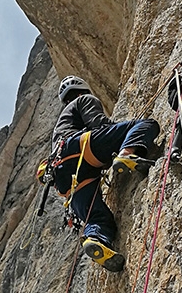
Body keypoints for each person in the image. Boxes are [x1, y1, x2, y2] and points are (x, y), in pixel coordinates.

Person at [48, 75, 160, 272]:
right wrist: (117, 137)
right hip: (80, 149)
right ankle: (127, 155)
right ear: (82, 89)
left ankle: (96, 240)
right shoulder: (84, 99)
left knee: (98, 219)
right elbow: (99, 124)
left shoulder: (59, 126)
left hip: (64, 178)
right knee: (145, 125)